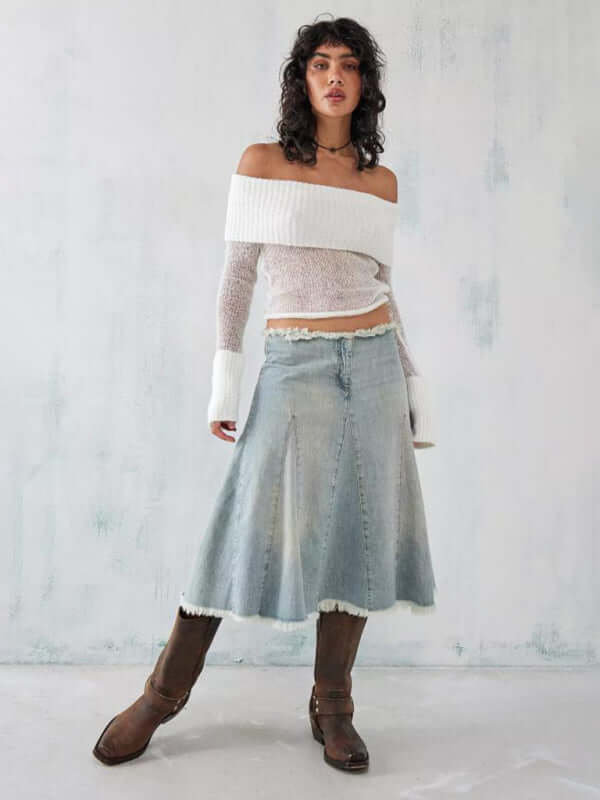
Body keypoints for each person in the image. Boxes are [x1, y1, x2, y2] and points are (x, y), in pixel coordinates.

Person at [93, 15, 437, 774]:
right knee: (240, 528)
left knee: (360, 533)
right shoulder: (263, 162)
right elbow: (238, 277)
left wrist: (413, 382)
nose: (335, 77)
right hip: (294, 364)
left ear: (365, 83)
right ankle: (161, 695)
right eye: (321, 64)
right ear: (302, 79)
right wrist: (227, 378)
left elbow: (386, 289)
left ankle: (333, 704)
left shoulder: (379, 182)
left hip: (375, 366)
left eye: (349, 65)